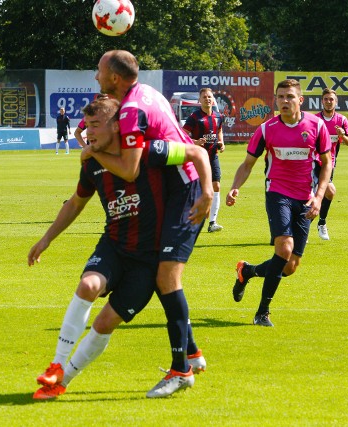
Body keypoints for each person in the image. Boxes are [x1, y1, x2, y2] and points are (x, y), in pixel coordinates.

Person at [29, 97, 212, 400]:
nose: (89, 133)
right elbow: (76, 202)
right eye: (86, 126)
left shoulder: (150, 152)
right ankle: (57, 365)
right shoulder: (91, 164)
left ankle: (62, 381)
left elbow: (197, 152)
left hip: (148, 261)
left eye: (96, 125)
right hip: (114, 245)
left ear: (117, 125)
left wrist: (206, 192)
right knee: (88, 285)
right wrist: (46, 238)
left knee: (104, 322)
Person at [85, 50, 212, 397]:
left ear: (113, 77)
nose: (96, 77)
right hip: (177, 192)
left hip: (186, 191)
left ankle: (180, 371)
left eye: (99, 71)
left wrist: (92, 152)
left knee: (167, 277)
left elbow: (129, 169)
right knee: (160, 273)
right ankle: (192, 352)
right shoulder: (148, 93)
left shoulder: (130, 110)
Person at [226, 79, 333, 327]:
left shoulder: (316, 126)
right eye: (281, 97)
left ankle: (248, 272)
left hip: (305, 197)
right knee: (283, 250)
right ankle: (262, 312)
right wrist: (234, 188)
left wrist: (318, 197)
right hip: (277, 193)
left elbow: (327, 163)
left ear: (300, 100)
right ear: (276, 100)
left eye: (290, 97)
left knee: (290, 266)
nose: (285, 101)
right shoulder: (266, 129)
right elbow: (247, 164)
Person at [183, 88, 225, 232]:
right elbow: (183, 136)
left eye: (209, 97)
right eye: (204, 97)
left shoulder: (218, 116)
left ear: (213, 99)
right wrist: (195, 142)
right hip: (198, 158)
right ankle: (189, 219)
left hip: (213, 156)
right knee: (197, 189)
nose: (207, 99)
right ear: (199, 100)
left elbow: (219, 130)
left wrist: (221, 142)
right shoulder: (194, 117)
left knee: (216, 186)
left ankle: (212, 222)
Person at [314, 88, 348, 240]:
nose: (329, 102)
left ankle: (319, 223)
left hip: (329, 164)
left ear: (336, 102)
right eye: (326, 99)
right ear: (322, 101)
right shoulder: (315, 120)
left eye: (331, 99)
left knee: (327, 193)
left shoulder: (341, 120)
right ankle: (311, 225)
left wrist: (342, 135)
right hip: (312, 163)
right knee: (328, 190)